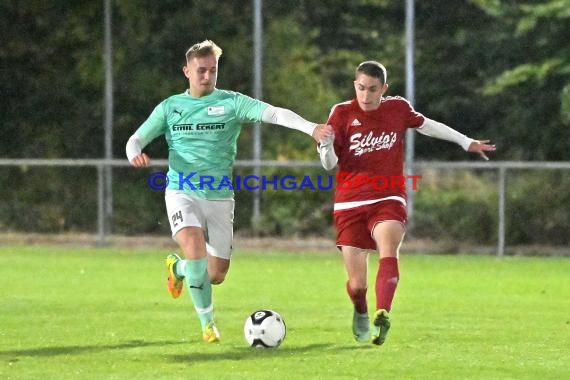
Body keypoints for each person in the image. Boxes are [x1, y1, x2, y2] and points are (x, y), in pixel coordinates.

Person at [125, 40, 332, 343]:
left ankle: (177, 267)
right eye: (200, 70)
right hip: (181, 190)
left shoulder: (232, 103)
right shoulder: (170, 107)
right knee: (195, 250)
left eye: (212, 70)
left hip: (220, 196)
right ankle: (208, 325)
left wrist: (312, 128)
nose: (207, 76)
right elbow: (136, 138)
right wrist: (135, 154)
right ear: (187, 71)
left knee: (215, 274)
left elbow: (274, 113)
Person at [318, 61, 496, 345]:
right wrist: (324, 145)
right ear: (355, 85)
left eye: (373, 89)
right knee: (357, 285)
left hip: (388, 197)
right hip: (349, 204)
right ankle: (361, 309)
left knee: (389, 249)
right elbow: (329, 164)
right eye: (361, 88)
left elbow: (428, 126)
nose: (366, 96)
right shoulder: (340, 113)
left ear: (384, 89)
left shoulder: (397, 108)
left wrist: (466, 142)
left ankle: (382, 313)